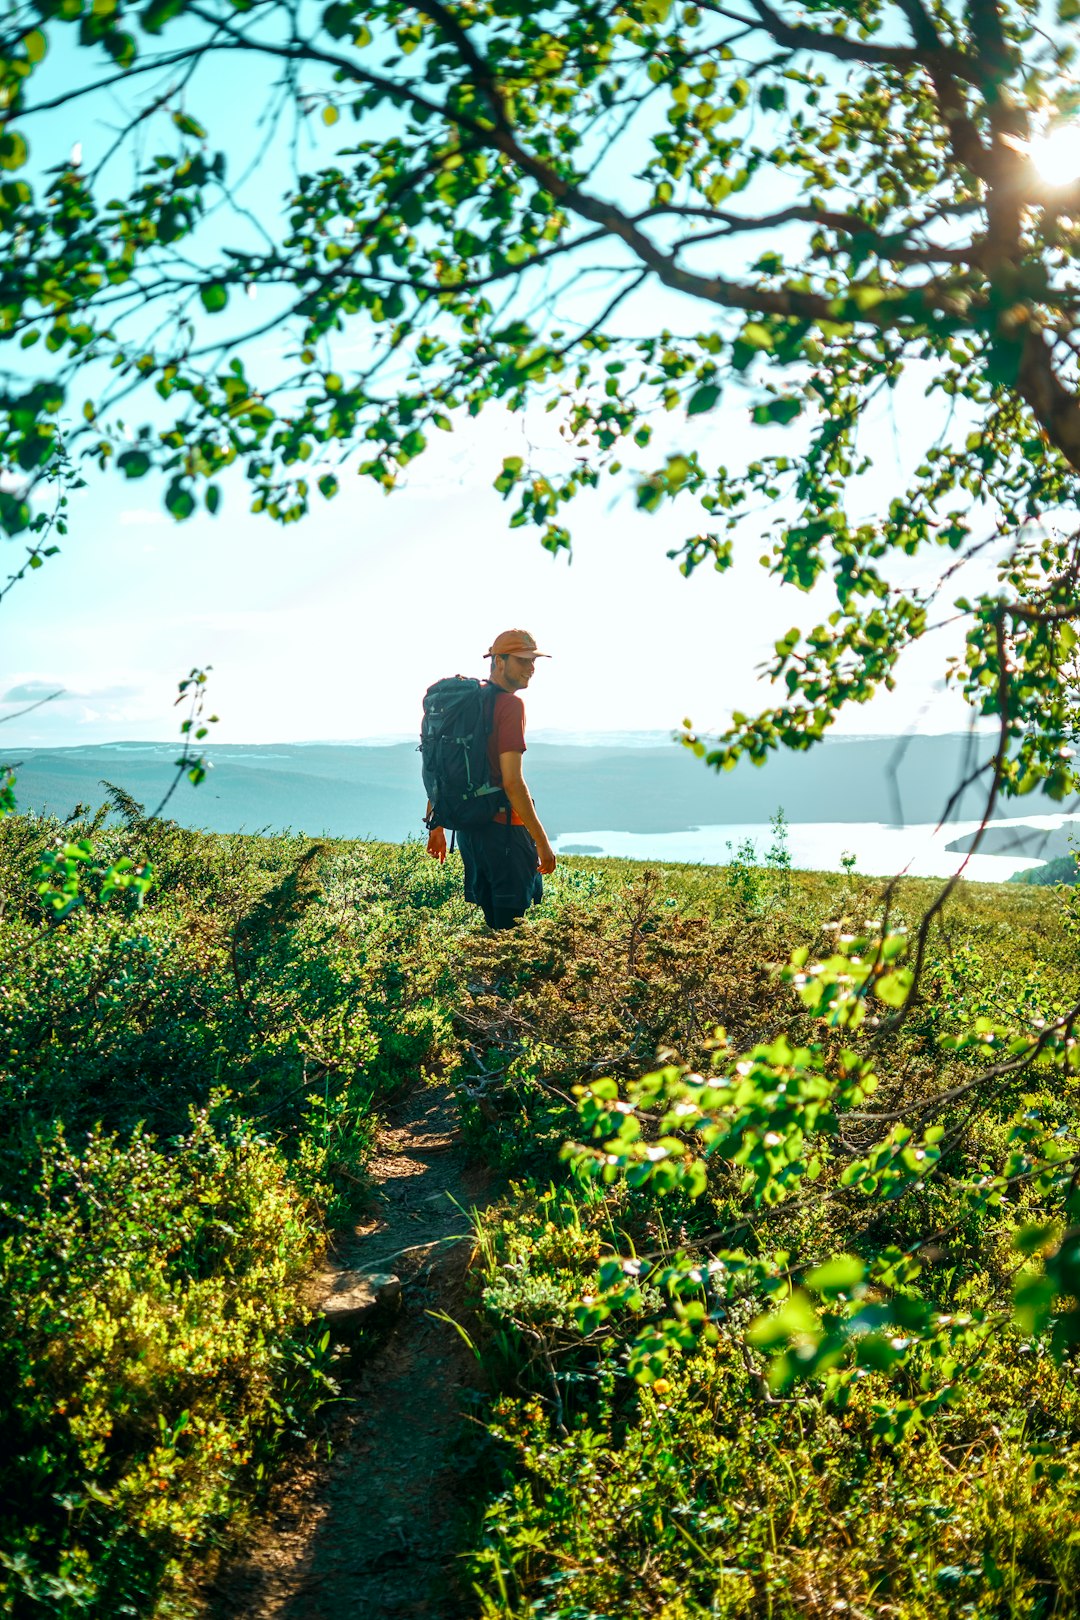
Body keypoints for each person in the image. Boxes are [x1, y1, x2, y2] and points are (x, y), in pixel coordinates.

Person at [426, 629, 557, 929]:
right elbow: (513, 782)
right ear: (499, 661)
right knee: (512, 933)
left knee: (492, 929)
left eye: (533, 661)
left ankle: (486, 977)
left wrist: (436, 823)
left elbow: (442, 764)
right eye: (523, 661)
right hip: (505, 836)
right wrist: (542, 843)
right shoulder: (511, 706)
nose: (531, 668)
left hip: (472, 836)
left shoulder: (467, 704)